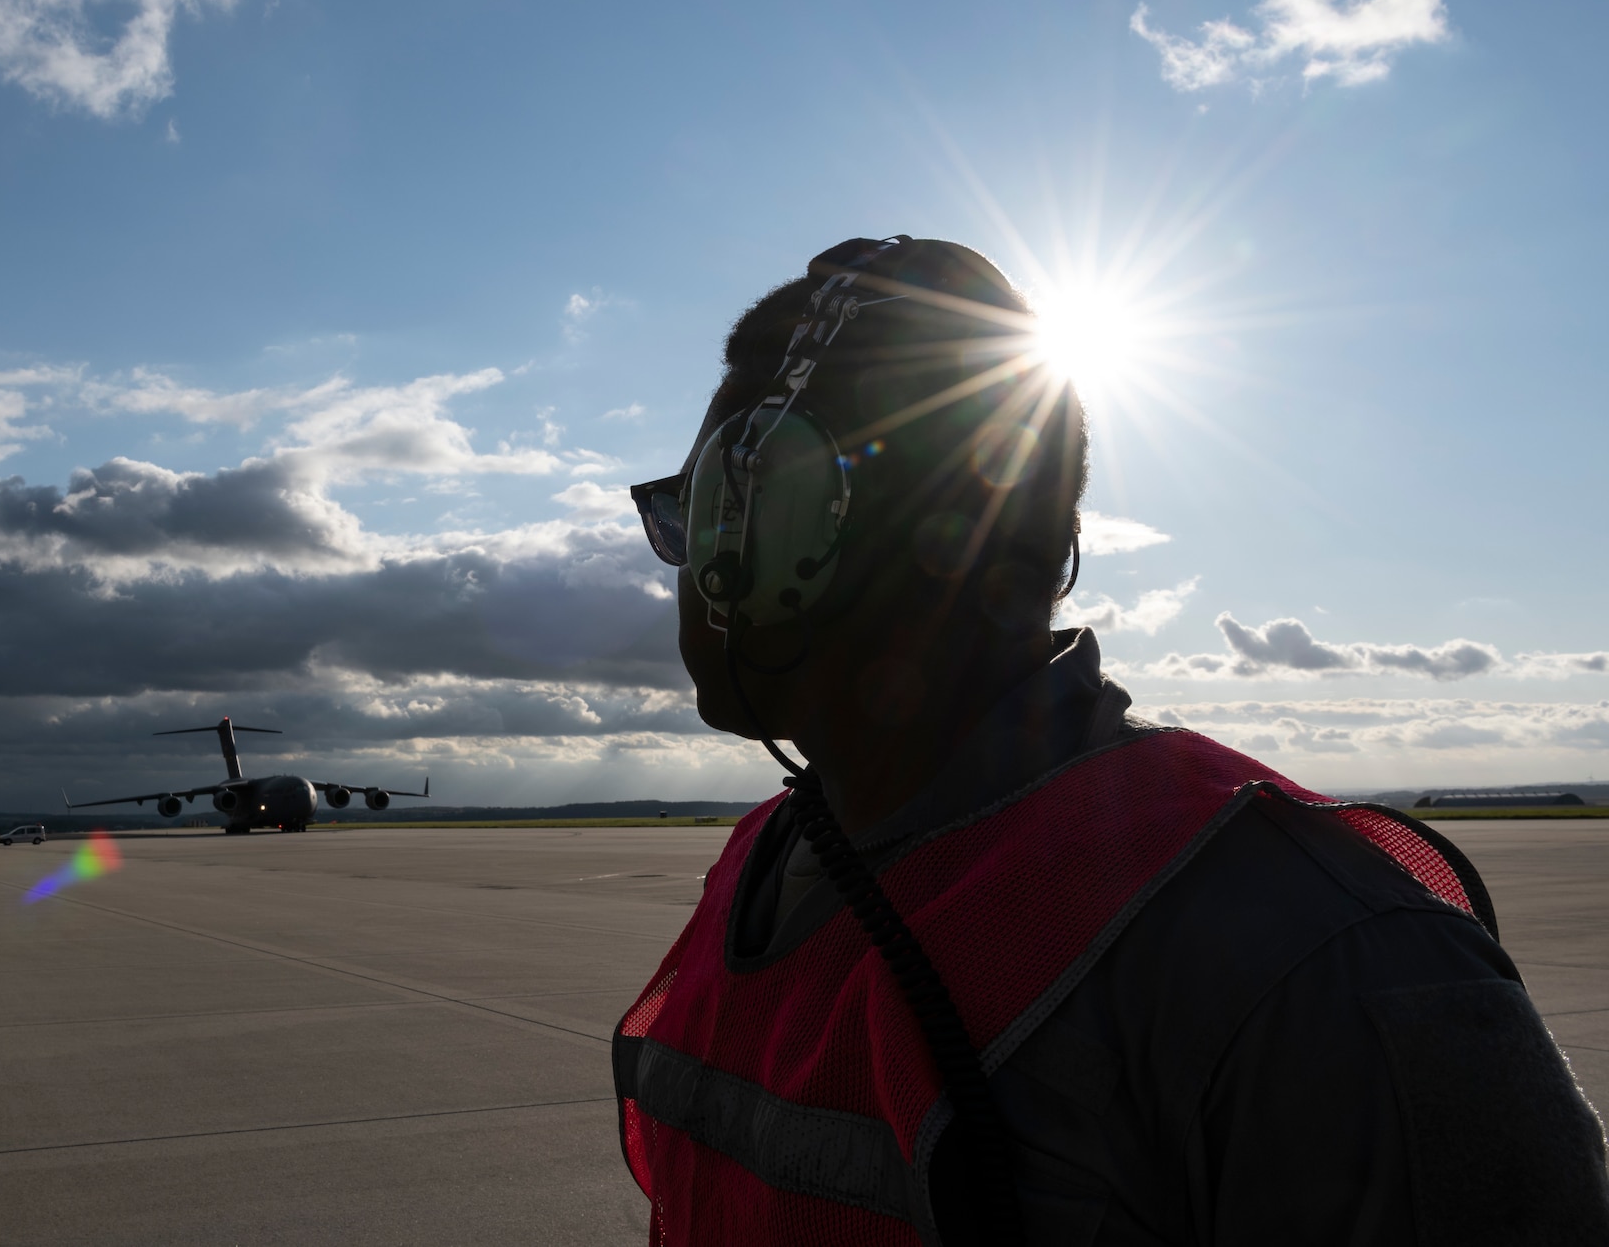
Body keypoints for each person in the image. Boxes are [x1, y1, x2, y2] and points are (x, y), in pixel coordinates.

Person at [615, 236, 1609, 1246]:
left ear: (769, 530)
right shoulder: (761, 863)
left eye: (690, 513)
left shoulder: (1312, 954)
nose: (680, 562)